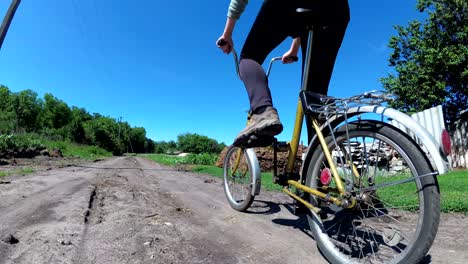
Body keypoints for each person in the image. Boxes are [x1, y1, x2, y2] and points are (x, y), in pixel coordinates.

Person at [217, 0, 350, 147]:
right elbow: (306, 18)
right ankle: (319, 163)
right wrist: (294, 49)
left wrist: (227, 34)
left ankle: (263, 112)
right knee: (315, 97)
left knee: (249, 57)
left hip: (287, 5)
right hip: (337, 10)